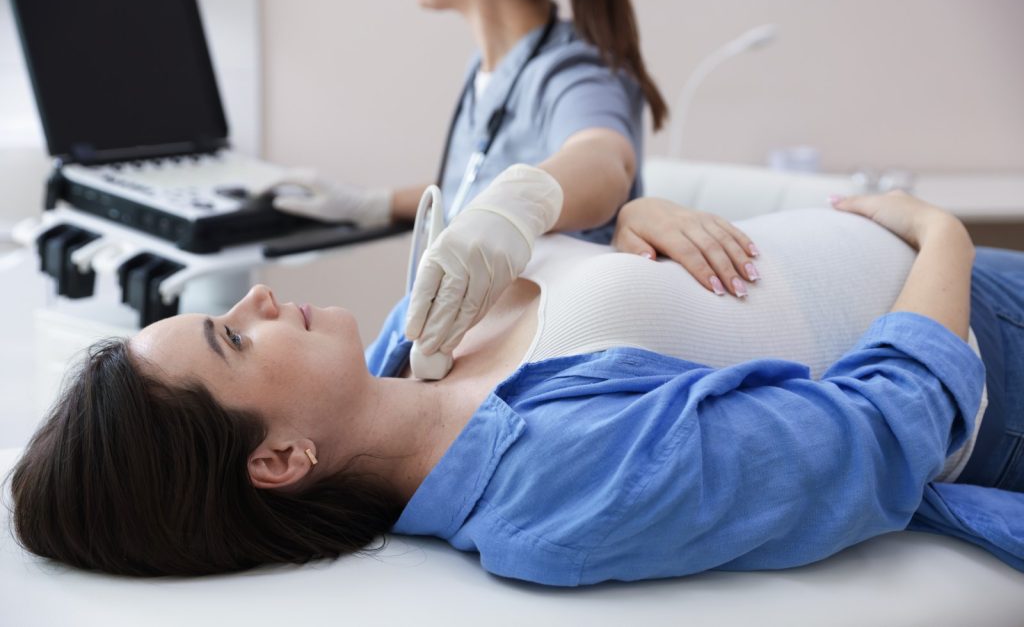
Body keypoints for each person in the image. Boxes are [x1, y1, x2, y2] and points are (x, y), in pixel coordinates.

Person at [9, 190, 1024, 582]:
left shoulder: (414, 335)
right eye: (235, 336)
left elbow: (608, 217)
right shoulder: (557, 484)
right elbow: (881, 434)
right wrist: (939, 233)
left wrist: (624, 220)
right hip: (989, 344)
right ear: (278, 459)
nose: (261, 295)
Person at [269, 0, 762, 368]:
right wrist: (371, 205)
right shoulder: (486, 71)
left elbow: (605, 160)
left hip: (536, 362)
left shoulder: (576, 71)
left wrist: (521, 202)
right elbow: (476, 188)